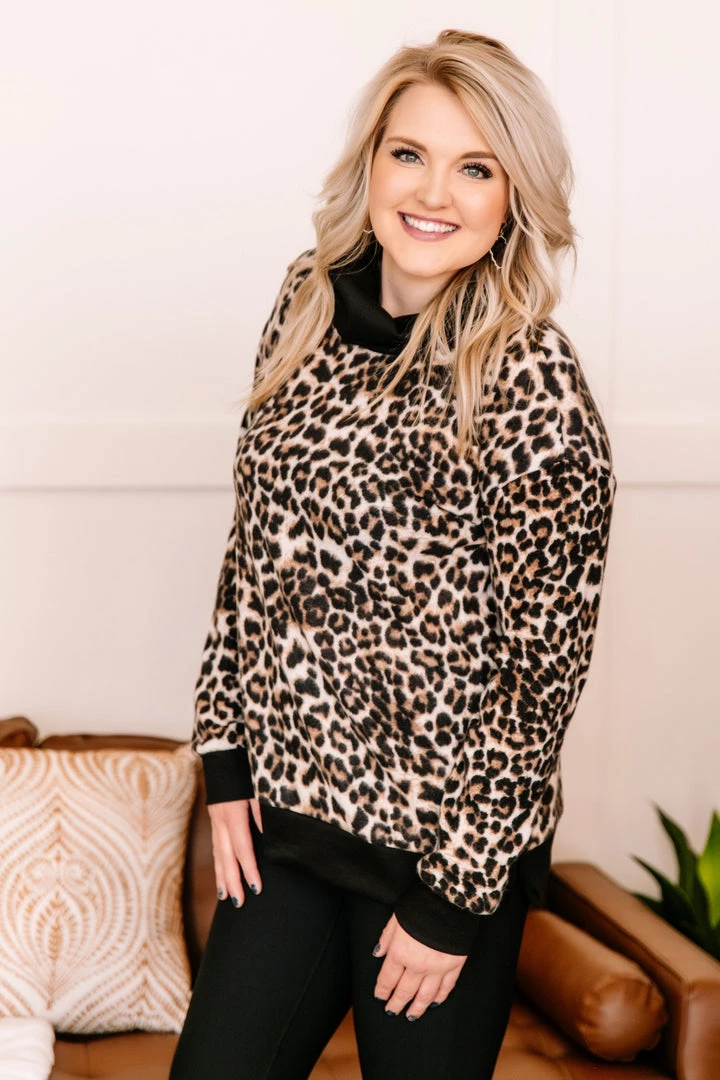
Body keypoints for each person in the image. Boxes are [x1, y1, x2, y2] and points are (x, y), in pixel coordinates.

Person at [170, 27, 617, 1080]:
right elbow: (253, 551)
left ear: (514, 196)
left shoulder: (534, 387)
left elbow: (540, 682)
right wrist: (224, 749)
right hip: (287, 827)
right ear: (370, 160)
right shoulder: (307, 301)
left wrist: (452, 900)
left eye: (476, 168)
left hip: (440, 864)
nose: (433, 193)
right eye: (409, 153)